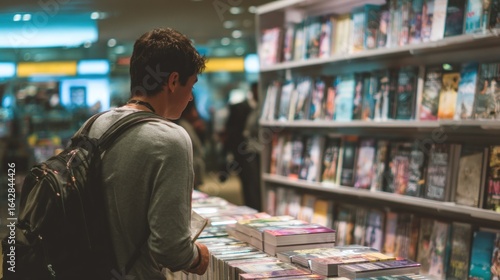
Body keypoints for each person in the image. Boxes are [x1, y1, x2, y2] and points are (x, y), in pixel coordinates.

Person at [84, 27, 209, 279]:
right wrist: (198, 257)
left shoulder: (92, 125)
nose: (191, 98)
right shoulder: (172, 139)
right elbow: (170, 249)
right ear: (173, 81)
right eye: (191, 85)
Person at [223, 82, 262, 211]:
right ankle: (251, 209)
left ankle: (256, 208)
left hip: (259, 154)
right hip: (244, 153)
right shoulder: (239, 107)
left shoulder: (260, 108)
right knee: (249, 183)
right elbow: (232, 133)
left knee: (256, 184)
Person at [176, 98, 207, 189]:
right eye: (194, 110)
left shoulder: (188, 125)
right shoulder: (184, 126)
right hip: (190, 173)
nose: (196, 114)